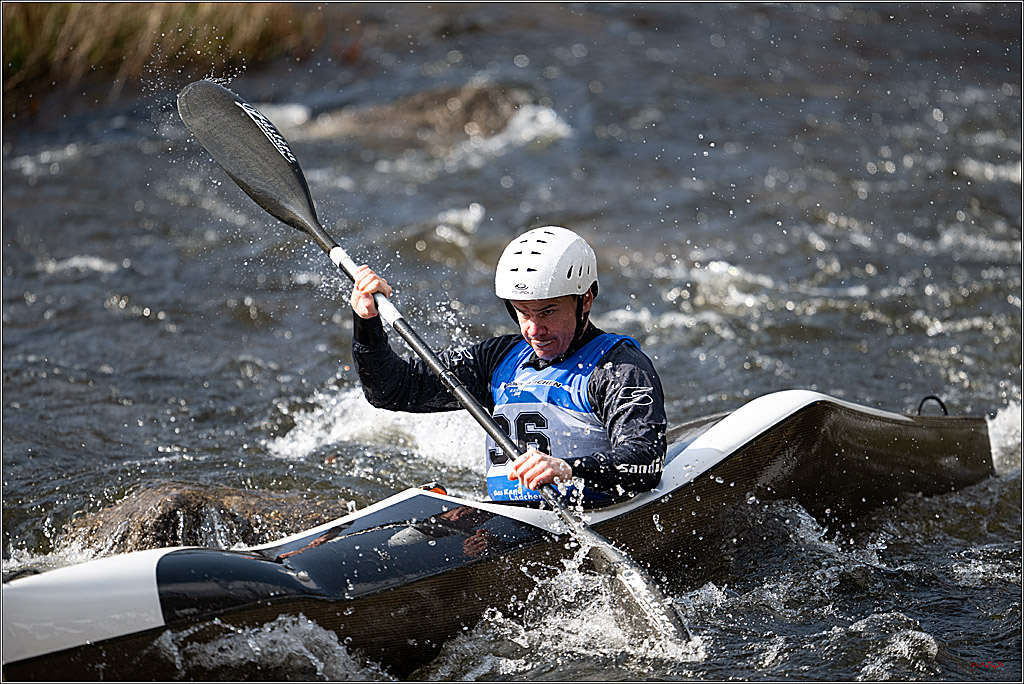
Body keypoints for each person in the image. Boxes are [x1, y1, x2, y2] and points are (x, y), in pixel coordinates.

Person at [349, 226, 666, 505]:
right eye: (523, 312)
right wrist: (368, 324)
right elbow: (390, 391)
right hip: (504, 524)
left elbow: (646, 460)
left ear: (585, 300)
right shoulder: (498, 358)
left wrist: (568, 468)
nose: (533, 329)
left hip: (587, 513)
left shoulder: (618, 366)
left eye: (547, 312)